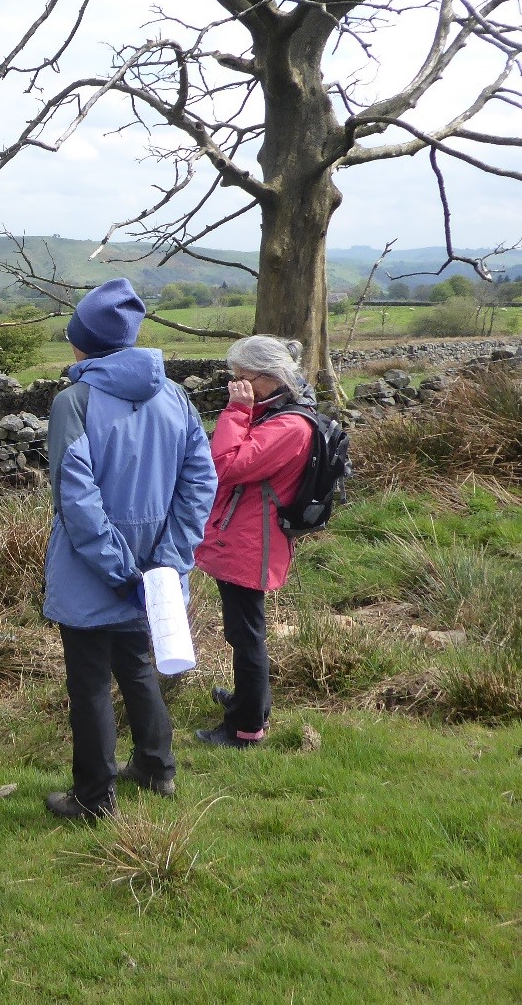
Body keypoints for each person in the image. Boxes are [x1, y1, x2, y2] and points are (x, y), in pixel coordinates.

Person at [42, 278, 216, 820]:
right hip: (157, 574)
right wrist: (168, 559)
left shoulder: (74, 402)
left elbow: (78, 498)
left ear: (84, 342)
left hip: (94, 573)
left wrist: (121, 571)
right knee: (138, 665)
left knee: (90, 684)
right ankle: (156, 767)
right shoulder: (175, 396)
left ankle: (95, 798)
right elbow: (200, 479)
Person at [194, 336, 315, 748]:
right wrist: (246, 408)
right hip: (246, 536)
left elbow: (224, 466)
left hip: (251, 542)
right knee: (243, 632)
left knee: (247, 636)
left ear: (269, 377)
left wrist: (237, 409)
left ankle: (246, 728)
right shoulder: (276, 413)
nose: (236, 385)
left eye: (243, 379)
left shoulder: (289, 426)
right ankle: (249, 701)